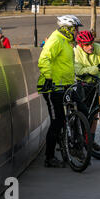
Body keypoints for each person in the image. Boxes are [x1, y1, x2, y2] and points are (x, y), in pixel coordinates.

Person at [37, 15, 83, 168]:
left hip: (66, 85)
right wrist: (49, 78)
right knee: (57, 121)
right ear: (67, 28)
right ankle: (49, 158)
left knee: (82, 109)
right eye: (76, 29)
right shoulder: (56, 39)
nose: (77, 32)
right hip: (52, 87)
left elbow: (67, 64)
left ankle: (76, 145)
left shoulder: (66, 41)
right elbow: (44, 59)